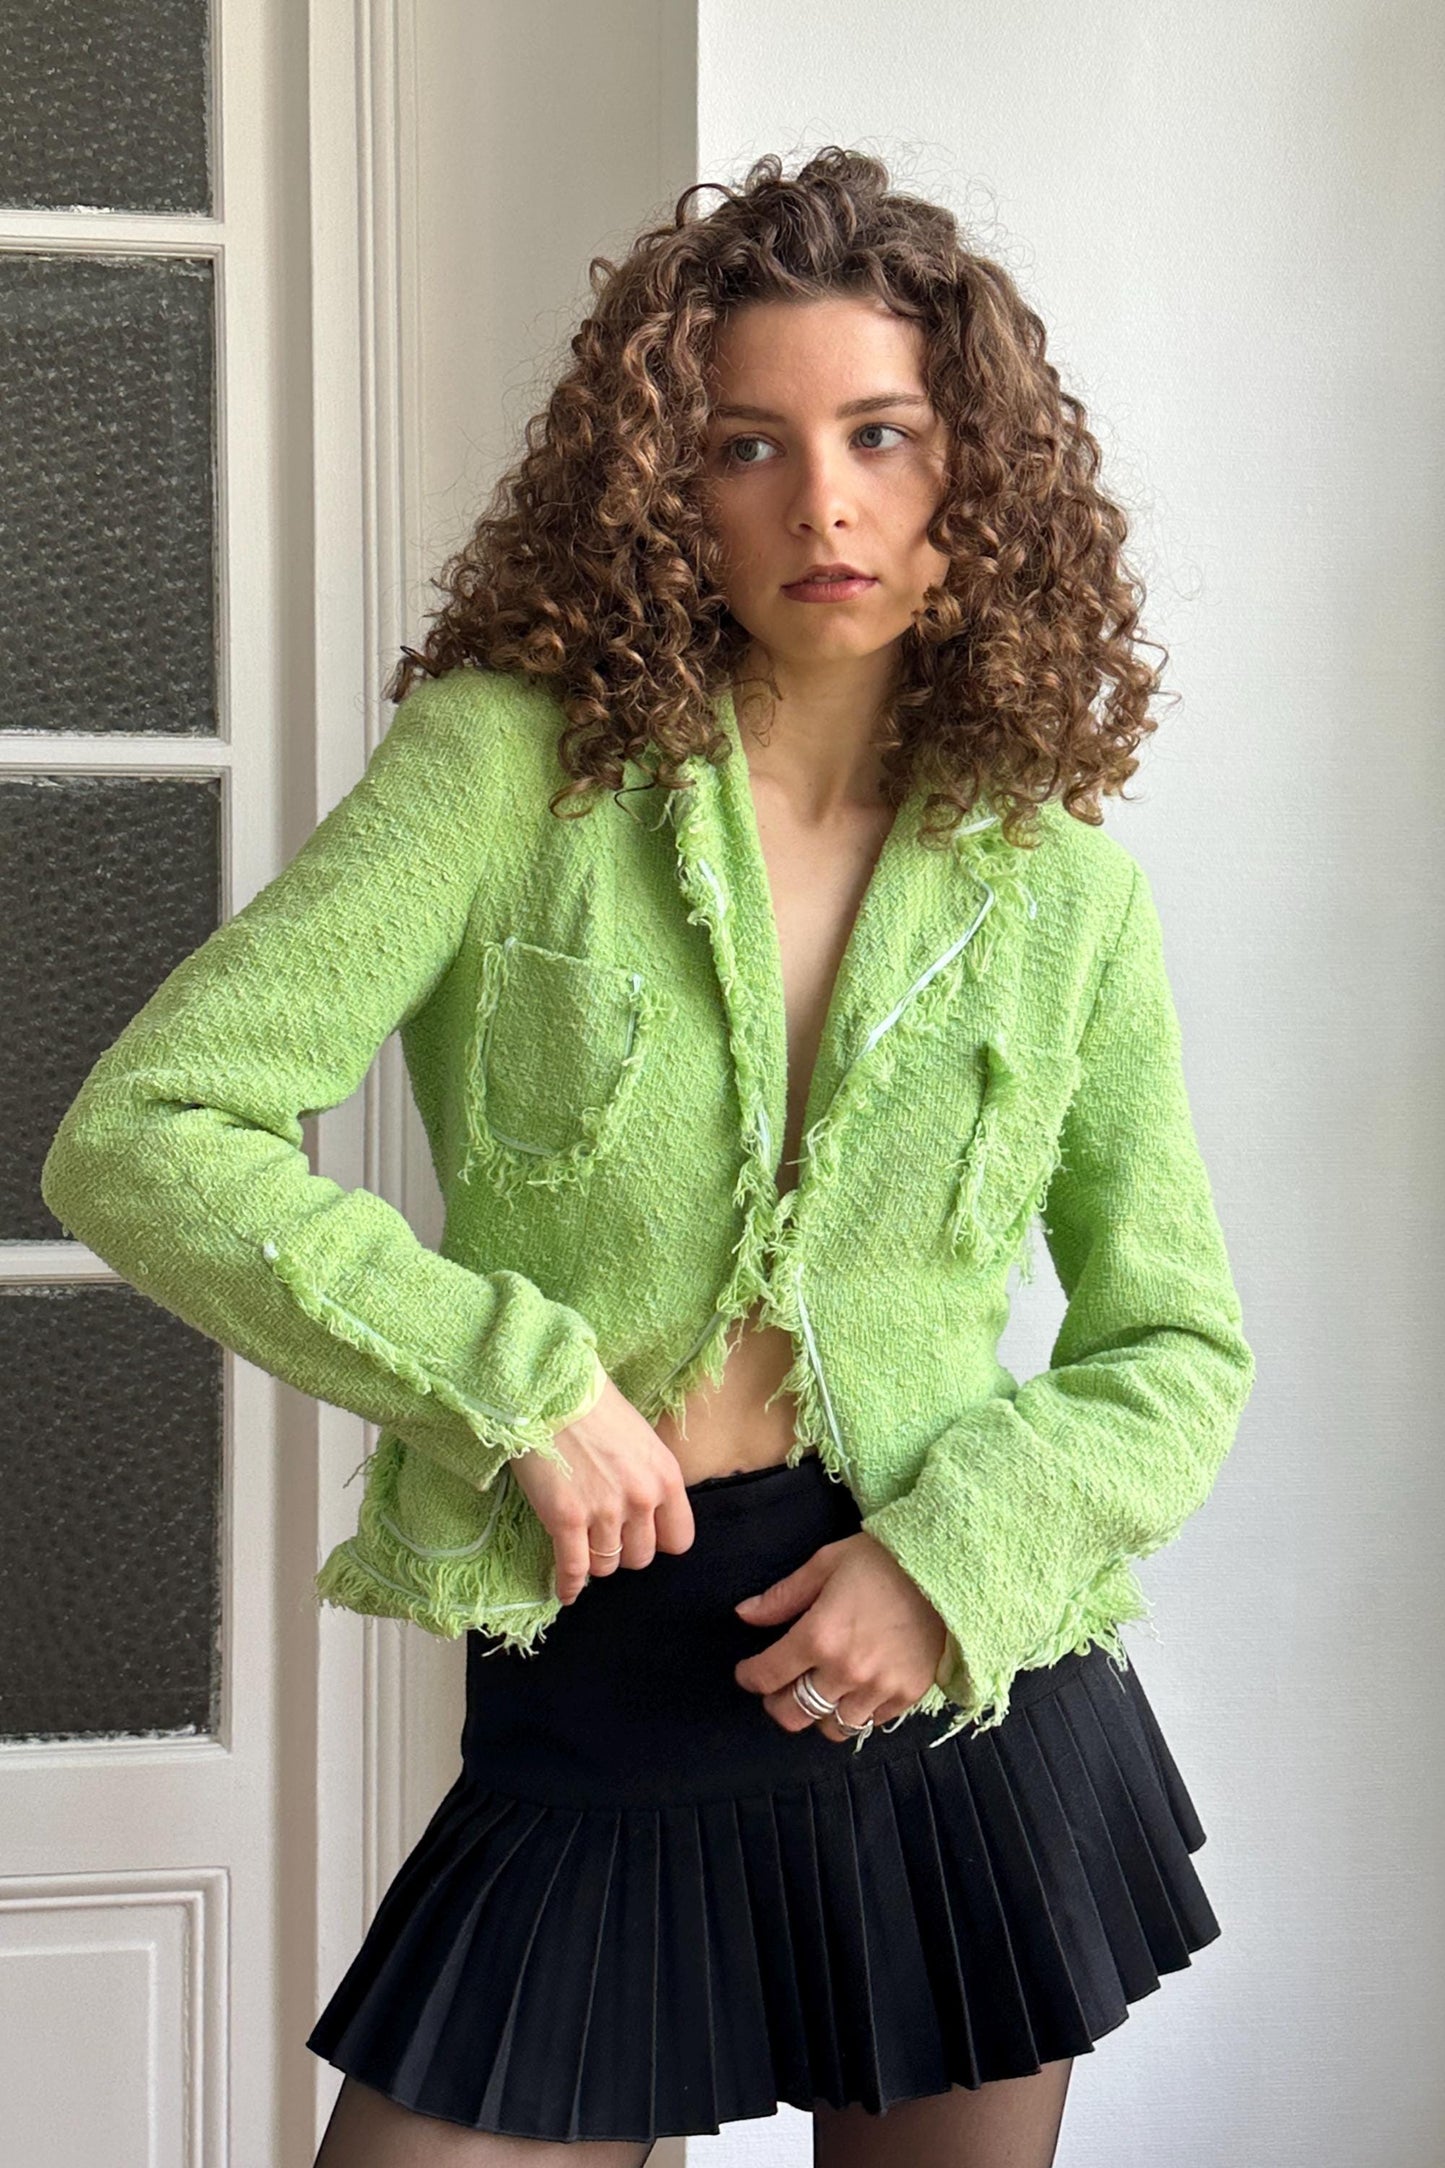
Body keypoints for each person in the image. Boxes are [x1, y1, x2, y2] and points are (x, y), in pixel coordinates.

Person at [40, 148, 1255, 2167]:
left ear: (979, 471)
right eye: (748, 445)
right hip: (600, 1701)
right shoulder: (511, 762)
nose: (826, 503)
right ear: (664, 484)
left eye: (881, 434)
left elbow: (1176, 1344)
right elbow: (148, 1136)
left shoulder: (1062, 891)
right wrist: (503, 1381)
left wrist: (955, 1566)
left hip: (945, 1704)